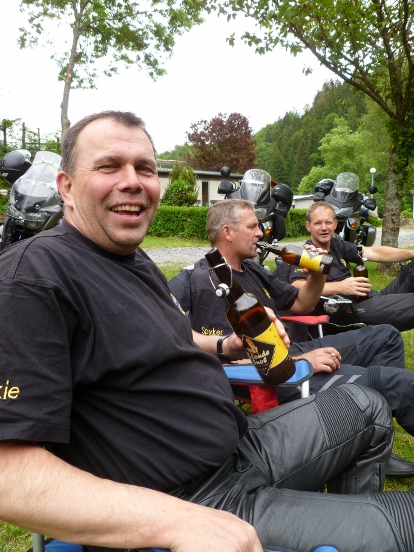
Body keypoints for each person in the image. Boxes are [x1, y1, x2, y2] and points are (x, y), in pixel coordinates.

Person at [1, 111, 414, 552]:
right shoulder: (33, 278)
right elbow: (9, 474)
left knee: (367, 404)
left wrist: (227, 344)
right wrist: (178, 523)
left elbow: (173, 337)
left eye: (145, 168)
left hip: (242, 445)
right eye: (109, 166)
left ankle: (352, 528)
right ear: (66, 186)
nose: (133, 181)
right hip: (190, 498)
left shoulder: (132, 260)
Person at [169, 198, 414, 476]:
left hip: (292, 350)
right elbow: (236, 358)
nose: (261, 233)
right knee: (396, 383)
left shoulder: (251, 268)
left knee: (386, 337)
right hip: (278, 372)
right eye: (252, 227)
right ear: (228, 232)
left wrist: (317, 274)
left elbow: (302, 303)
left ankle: (374, 436)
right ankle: (371, 430)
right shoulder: (211, 281)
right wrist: (302, 360)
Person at [287, 200, 414, 332]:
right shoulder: (306, 253)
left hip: (369, 298)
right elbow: (295, 286)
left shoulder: (337, 245)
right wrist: (340, 287)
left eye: (328, 222)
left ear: (335, 224)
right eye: (317, 223)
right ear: (308, 226)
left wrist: (412, 253)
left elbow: (373, 252)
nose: (324, 227)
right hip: (349, 310)